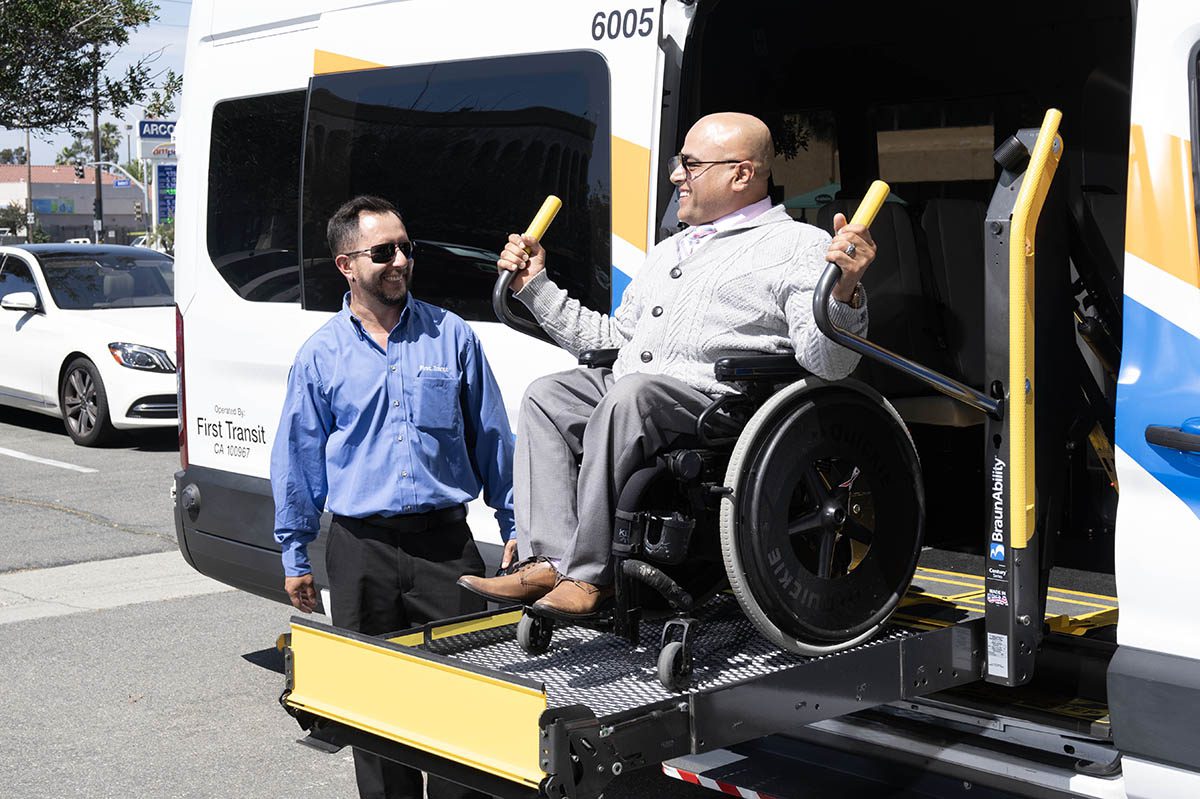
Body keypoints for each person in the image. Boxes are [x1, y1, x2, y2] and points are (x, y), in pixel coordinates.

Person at [457, 112, 877, 618]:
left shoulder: (798, 246)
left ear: (740, 174)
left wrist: (847, 291)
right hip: (639, 392)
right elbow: (614, 341)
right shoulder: (668, 251)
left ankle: (590, 576)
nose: (676, 175)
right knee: (548, 394)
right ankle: (546, 557)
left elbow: (829, 363)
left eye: (689, 164)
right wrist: (535, 288)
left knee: (630, 396)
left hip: (719, 405)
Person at [271, 195, 514, 799]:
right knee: (374, 717)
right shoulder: (321, 354)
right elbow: (298, 459)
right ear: (346, 266)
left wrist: (517, 525)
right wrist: (295, 552)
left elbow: (491, 436)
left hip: (445, 548)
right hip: (361, 552)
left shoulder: (449, 335)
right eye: (383, 252)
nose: (400, 260)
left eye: (407, 248)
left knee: (464, 707)